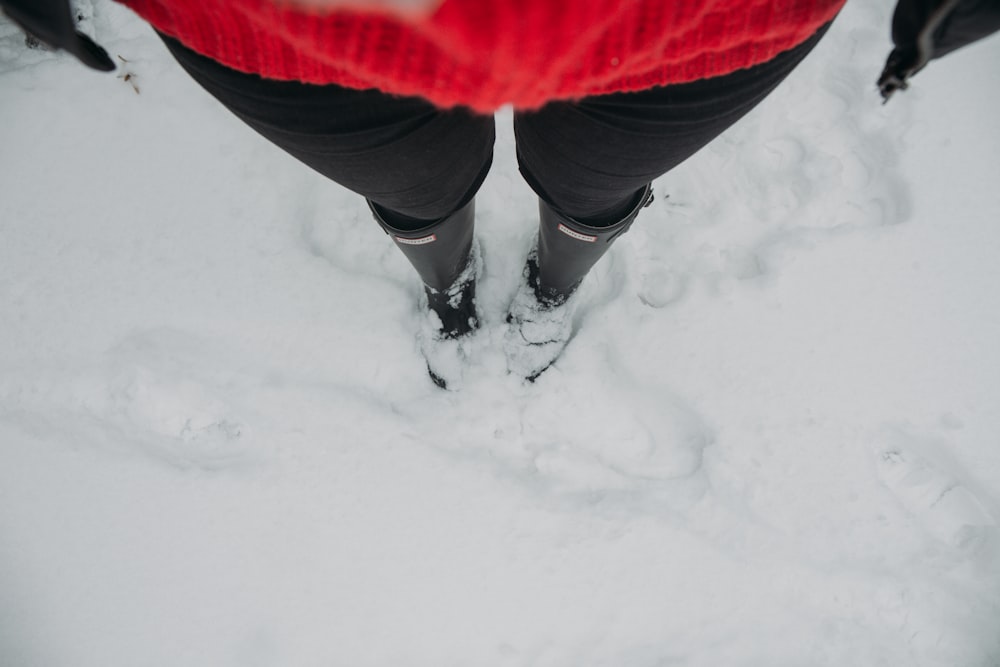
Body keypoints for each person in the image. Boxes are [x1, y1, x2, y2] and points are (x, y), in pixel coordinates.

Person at [4, 0, 998, 388]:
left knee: (594, 181)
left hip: (697, 27)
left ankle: (554, 285)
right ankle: (448, 280)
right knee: (416, 186)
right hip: (277, 34)